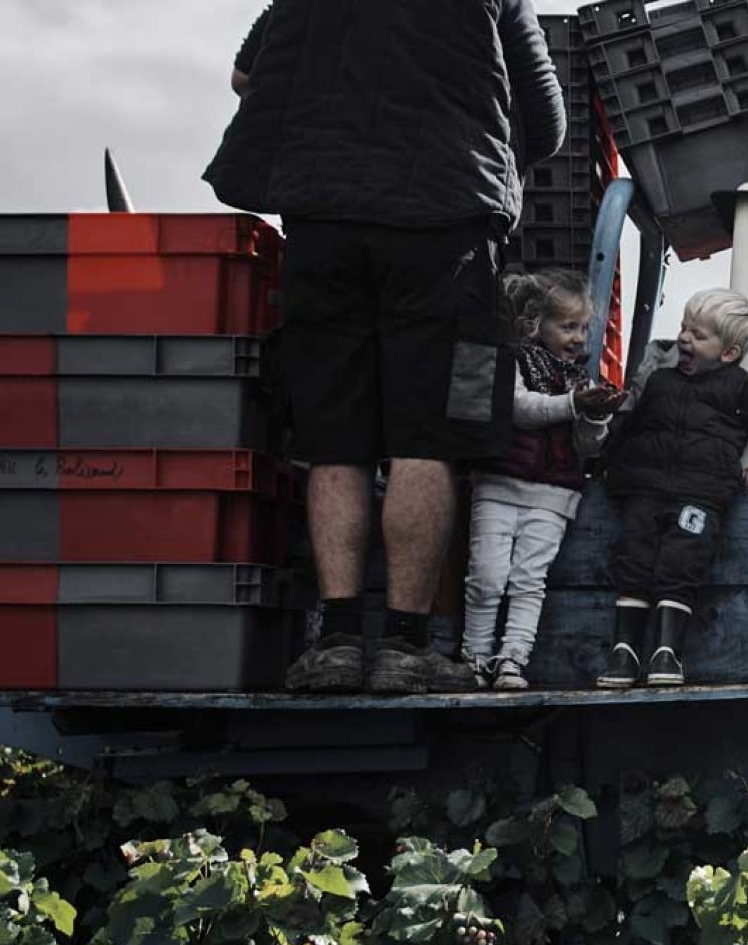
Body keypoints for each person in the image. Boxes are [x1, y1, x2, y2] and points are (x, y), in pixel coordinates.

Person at [203, 0, 565, 694]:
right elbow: (544, 120)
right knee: (427, 437)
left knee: (333, 433)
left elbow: (245, 77)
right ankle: (405, 646)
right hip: (446, 222)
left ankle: (336, 641)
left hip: (322, 218)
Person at [594, 289, 748, 690]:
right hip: (644, 489)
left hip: (699, 495)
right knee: (633, 561)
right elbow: (627, 426)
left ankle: (666, 652)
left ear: (728, 352)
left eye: (699, 335)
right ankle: (624, 653)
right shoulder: (659, 380)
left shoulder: (738, 386)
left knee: (680, 564)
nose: (685, 339)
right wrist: (600, 466)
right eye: (685, 328)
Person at [461, 270, 624, 691]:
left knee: (529, 581)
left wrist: (597, 415)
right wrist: (573, 403)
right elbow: (521, 409)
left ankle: (512, 658)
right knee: (487, 575)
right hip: (498, 486)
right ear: (536, 324)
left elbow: (587, 447)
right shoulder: (515, 361)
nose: (578, 337)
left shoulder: (580, 380)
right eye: (568, 326)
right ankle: (474, 656)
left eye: (584, 327)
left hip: (553, 496)